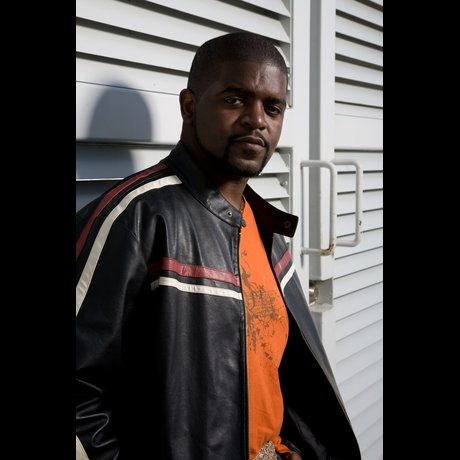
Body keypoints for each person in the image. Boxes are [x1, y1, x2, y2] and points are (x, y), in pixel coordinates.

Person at [76, 32, 361, 460]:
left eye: (273, 107)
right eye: (235, 99)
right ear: (190, 107)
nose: (256, 120)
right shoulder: (135, 218)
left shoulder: (267, 228)